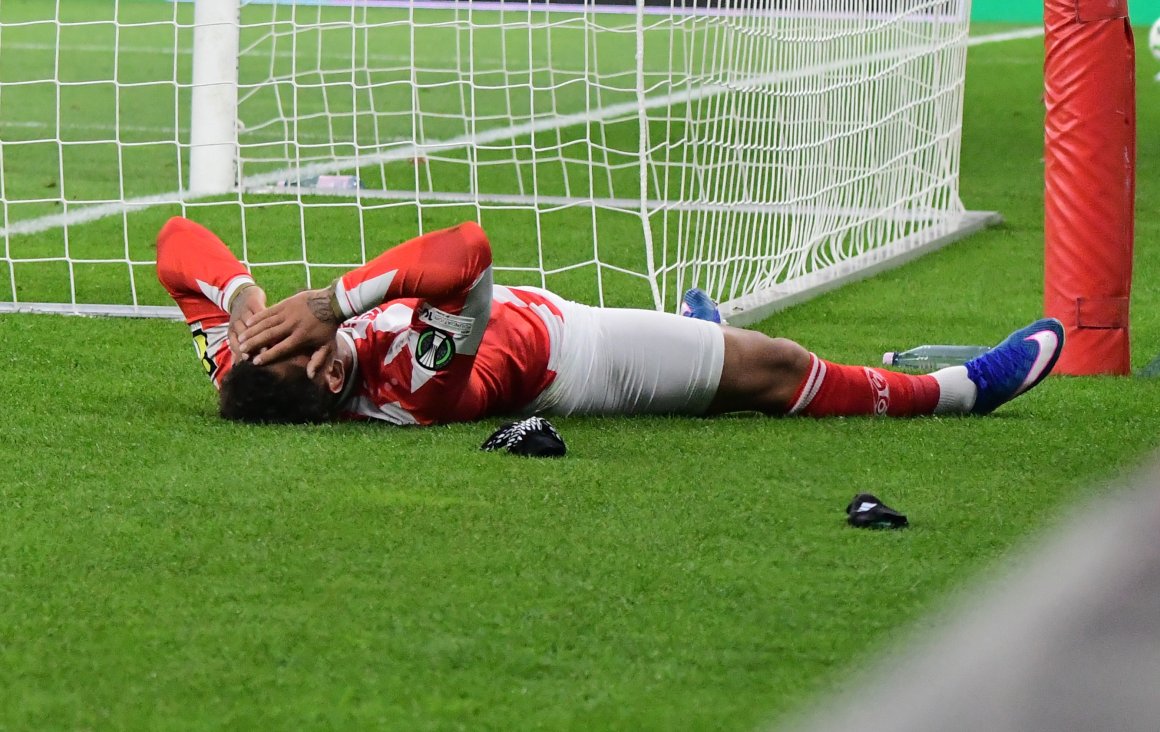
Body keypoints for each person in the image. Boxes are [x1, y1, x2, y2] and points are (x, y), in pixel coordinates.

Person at [155, 216, 1064, 425]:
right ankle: (957, 392)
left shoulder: (242, 361)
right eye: (324, 376)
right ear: (325, 400)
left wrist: (243, 304)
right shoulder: (410, 392)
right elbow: (466, 253)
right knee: (773, 365)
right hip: (575, 358)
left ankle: (694, 326)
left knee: (715, 339)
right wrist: (327, 304)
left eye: (297, 349)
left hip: (527, 313)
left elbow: (174, 241)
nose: (326, 360)